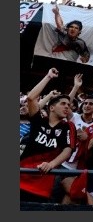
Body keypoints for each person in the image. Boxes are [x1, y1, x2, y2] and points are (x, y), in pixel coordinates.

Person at [20, 68, 75, 203]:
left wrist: (51, 164)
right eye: (63, 104)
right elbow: (31, 98)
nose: (67, 106)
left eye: (69, 104)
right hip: (21, 178)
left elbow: (67, 150)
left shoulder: (68, 127)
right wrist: (48, 76)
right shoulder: (39, 120)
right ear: (51, 108)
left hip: (42, 186)